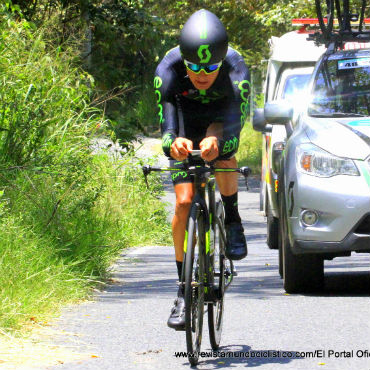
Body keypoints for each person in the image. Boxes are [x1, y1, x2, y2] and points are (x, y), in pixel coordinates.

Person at [154, 9, 250, 330]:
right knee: (183, 201)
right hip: (184, 123)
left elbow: (235, 136)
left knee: (222, 154)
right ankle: (183, 290)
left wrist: (218, 143)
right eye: (194, 66)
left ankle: (233, 219)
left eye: (210, 67)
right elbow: (166, 131)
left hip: (219, 122)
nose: (202, 73)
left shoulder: (237, 69)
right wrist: (174, 144)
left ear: (222, 61)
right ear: (184, 59)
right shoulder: (167, 69)